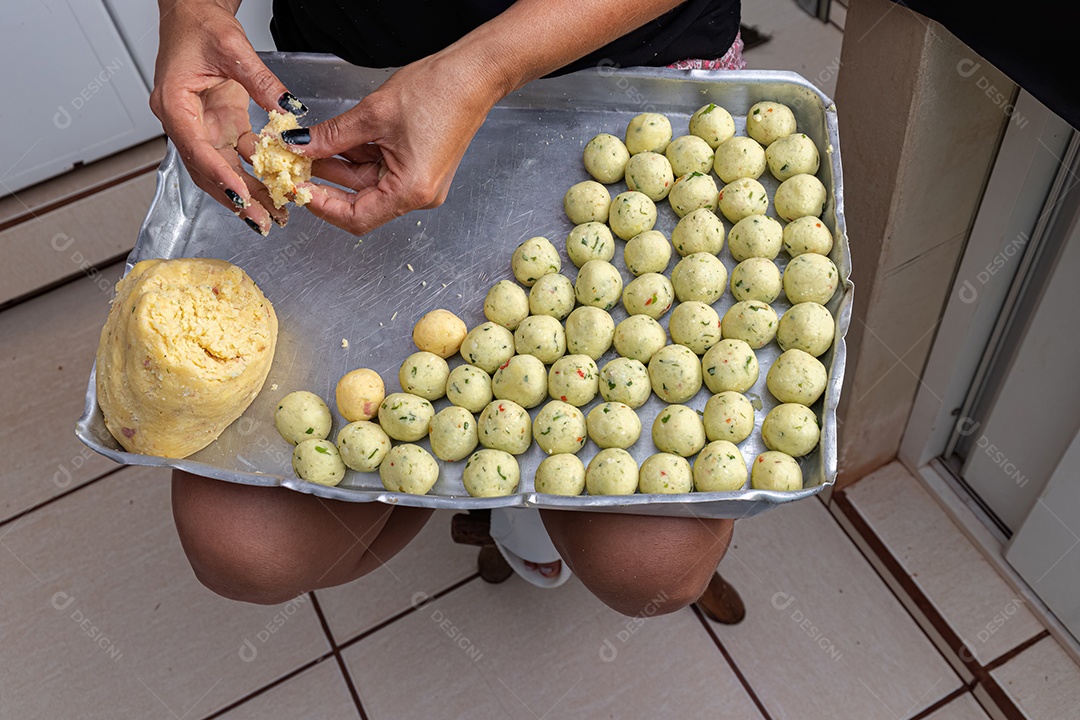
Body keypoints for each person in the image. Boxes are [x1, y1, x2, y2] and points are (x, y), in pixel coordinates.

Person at [155, 0, 744, 618]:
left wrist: (483, 68)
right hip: (350, 84)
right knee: (245, 550)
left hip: (624, 57)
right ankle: (479, 489)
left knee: (653, 570)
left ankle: (515, 499)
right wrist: (193, 13)